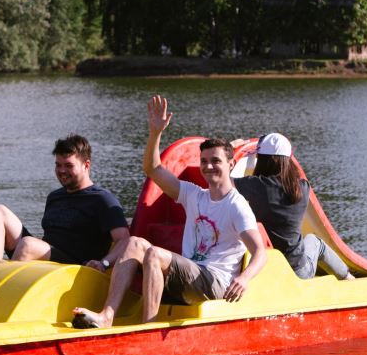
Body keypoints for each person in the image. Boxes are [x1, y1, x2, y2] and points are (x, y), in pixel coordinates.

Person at [72, 96, 267, 329]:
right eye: (204, 161)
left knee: (154, 254)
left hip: (215, 282)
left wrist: (244, 279)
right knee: (134, 243)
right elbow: (152, 169)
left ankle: (148, 328)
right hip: (189, 276)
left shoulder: (237, 205)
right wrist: (155, 133)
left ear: (231, 165)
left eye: (216, 161)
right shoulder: (195, 195)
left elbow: (259, 252)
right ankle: (107, 316)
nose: (208, 166)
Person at [0, 134, 130, 265]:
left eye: (68, 165)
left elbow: (124, 240)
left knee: (28, 245)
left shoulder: (102, 199)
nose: (62, 171)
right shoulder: (55, 197)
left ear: (86, 165)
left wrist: (103, 263)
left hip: (76, 268)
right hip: (47, 260)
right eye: (58, 165)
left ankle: (3, 284)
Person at [234, 133, 353, 281]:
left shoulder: (255, 186)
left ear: (261, 159)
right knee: (315, 242)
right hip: (298, 270)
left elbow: (221, 182)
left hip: (264, 266)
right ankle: (348, 277)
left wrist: (230, 151)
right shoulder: (303, 187)